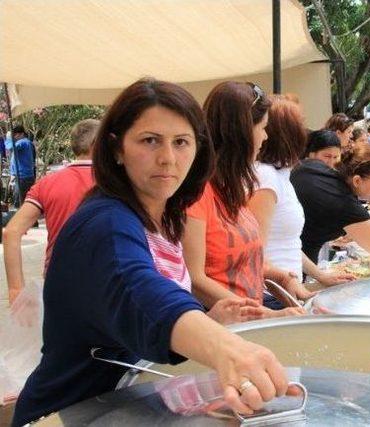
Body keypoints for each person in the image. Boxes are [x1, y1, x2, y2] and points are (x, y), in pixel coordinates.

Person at [11, 78, 289, 427]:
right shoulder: (106, 223)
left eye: (181, 142)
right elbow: (138, 290)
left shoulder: (163, 216)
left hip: (125, 407)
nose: (168, 158)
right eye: (150, 140)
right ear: (116, 149)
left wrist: (209, 321)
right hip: (68, 414)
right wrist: (226, 349)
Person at [182, 82, 309, 315]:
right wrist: (266, 315)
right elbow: (194, 278)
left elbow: (244, 262)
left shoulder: (232, 188)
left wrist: (282, 278)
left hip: (251, 323)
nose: (266, 136)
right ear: (241, 133)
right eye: (263, 127)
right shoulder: (197, 194)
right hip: (222, 333)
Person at [248, 96, 354, 293]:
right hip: (272, 295)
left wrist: (321, 275)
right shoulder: (265, 177)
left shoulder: (279, 174)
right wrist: (290, 288)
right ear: (288, 133)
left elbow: (289, 243)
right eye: (300, 123)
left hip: (288, 290)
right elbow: (255, 253)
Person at [3, 119, 100, 305]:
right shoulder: (119, 184)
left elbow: (11, 233)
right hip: (106, 282)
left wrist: (16, 288)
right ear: (98, 144)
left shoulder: (46, 184)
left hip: (58, 281)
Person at [6, 125, 36, 207]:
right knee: (26, 201)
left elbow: (10, 147)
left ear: (21, 134)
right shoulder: (27, 142)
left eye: (16, 135)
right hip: (25, 176)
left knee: (19, 202)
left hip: (23, 177)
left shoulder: (22, 142)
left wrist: (8, 139)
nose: (15, 137)